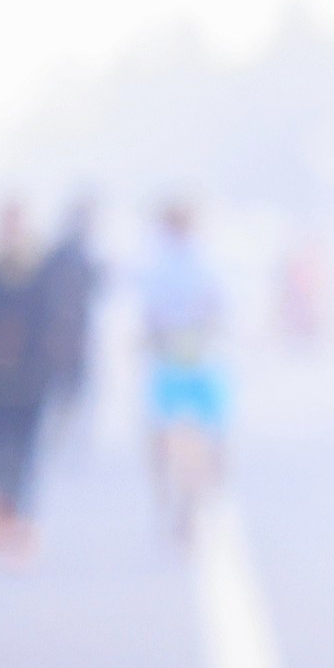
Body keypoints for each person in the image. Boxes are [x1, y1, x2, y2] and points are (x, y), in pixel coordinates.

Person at [0, 203, 60, 558]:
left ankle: (19, 521)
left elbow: (53, 322)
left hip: (29, 383)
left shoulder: (42, 277)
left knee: (24, 456)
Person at [136, 198, 229, 542]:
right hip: (186, 359)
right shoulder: (169, 263)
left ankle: (186, 495)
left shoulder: (189, 262)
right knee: (190, 434)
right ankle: (191, 495)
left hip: (190, 359)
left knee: (183, 434)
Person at [37, 194, 101, 451]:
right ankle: (54, 443)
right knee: (57, 397)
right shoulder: (60, 255)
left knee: (73, 397)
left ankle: (65, 444)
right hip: (58, 338)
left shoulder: (83, 255)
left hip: (77, 337)